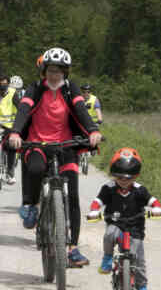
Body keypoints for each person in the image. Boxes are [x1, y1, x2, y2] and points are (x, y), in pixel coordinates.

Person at [8, 47, 102, 268]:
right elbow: (23, 110)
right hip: (37, 143)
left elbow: (80, 109)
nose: (55, 74)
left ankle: (72, 248)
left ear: (65, 72)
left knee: (73, 196)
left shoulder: (70, 89)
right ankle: (31, 203)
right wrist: (15, 133)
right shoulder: (35, 89)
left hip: (65, 145)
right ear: (44, 70)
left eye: (59, 70)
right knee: (35, 169)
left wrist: (92, 131)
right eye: (51, 69)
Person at [86, 147, 161, 290]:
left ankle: (142, 288)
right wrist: (94, 211)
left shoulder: (139, 190)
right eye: (119, 177)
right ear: (114, 174)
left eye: (128, 178)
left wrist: (156, 209)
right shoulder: (108, 188)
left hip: (135, 229)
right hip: (116, 224)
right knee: (109, 234)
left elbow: (153, 202)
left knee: (139, 259)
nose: (123, 181)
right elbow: (97, 202)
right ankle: (107, 258)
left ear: (136, 176)